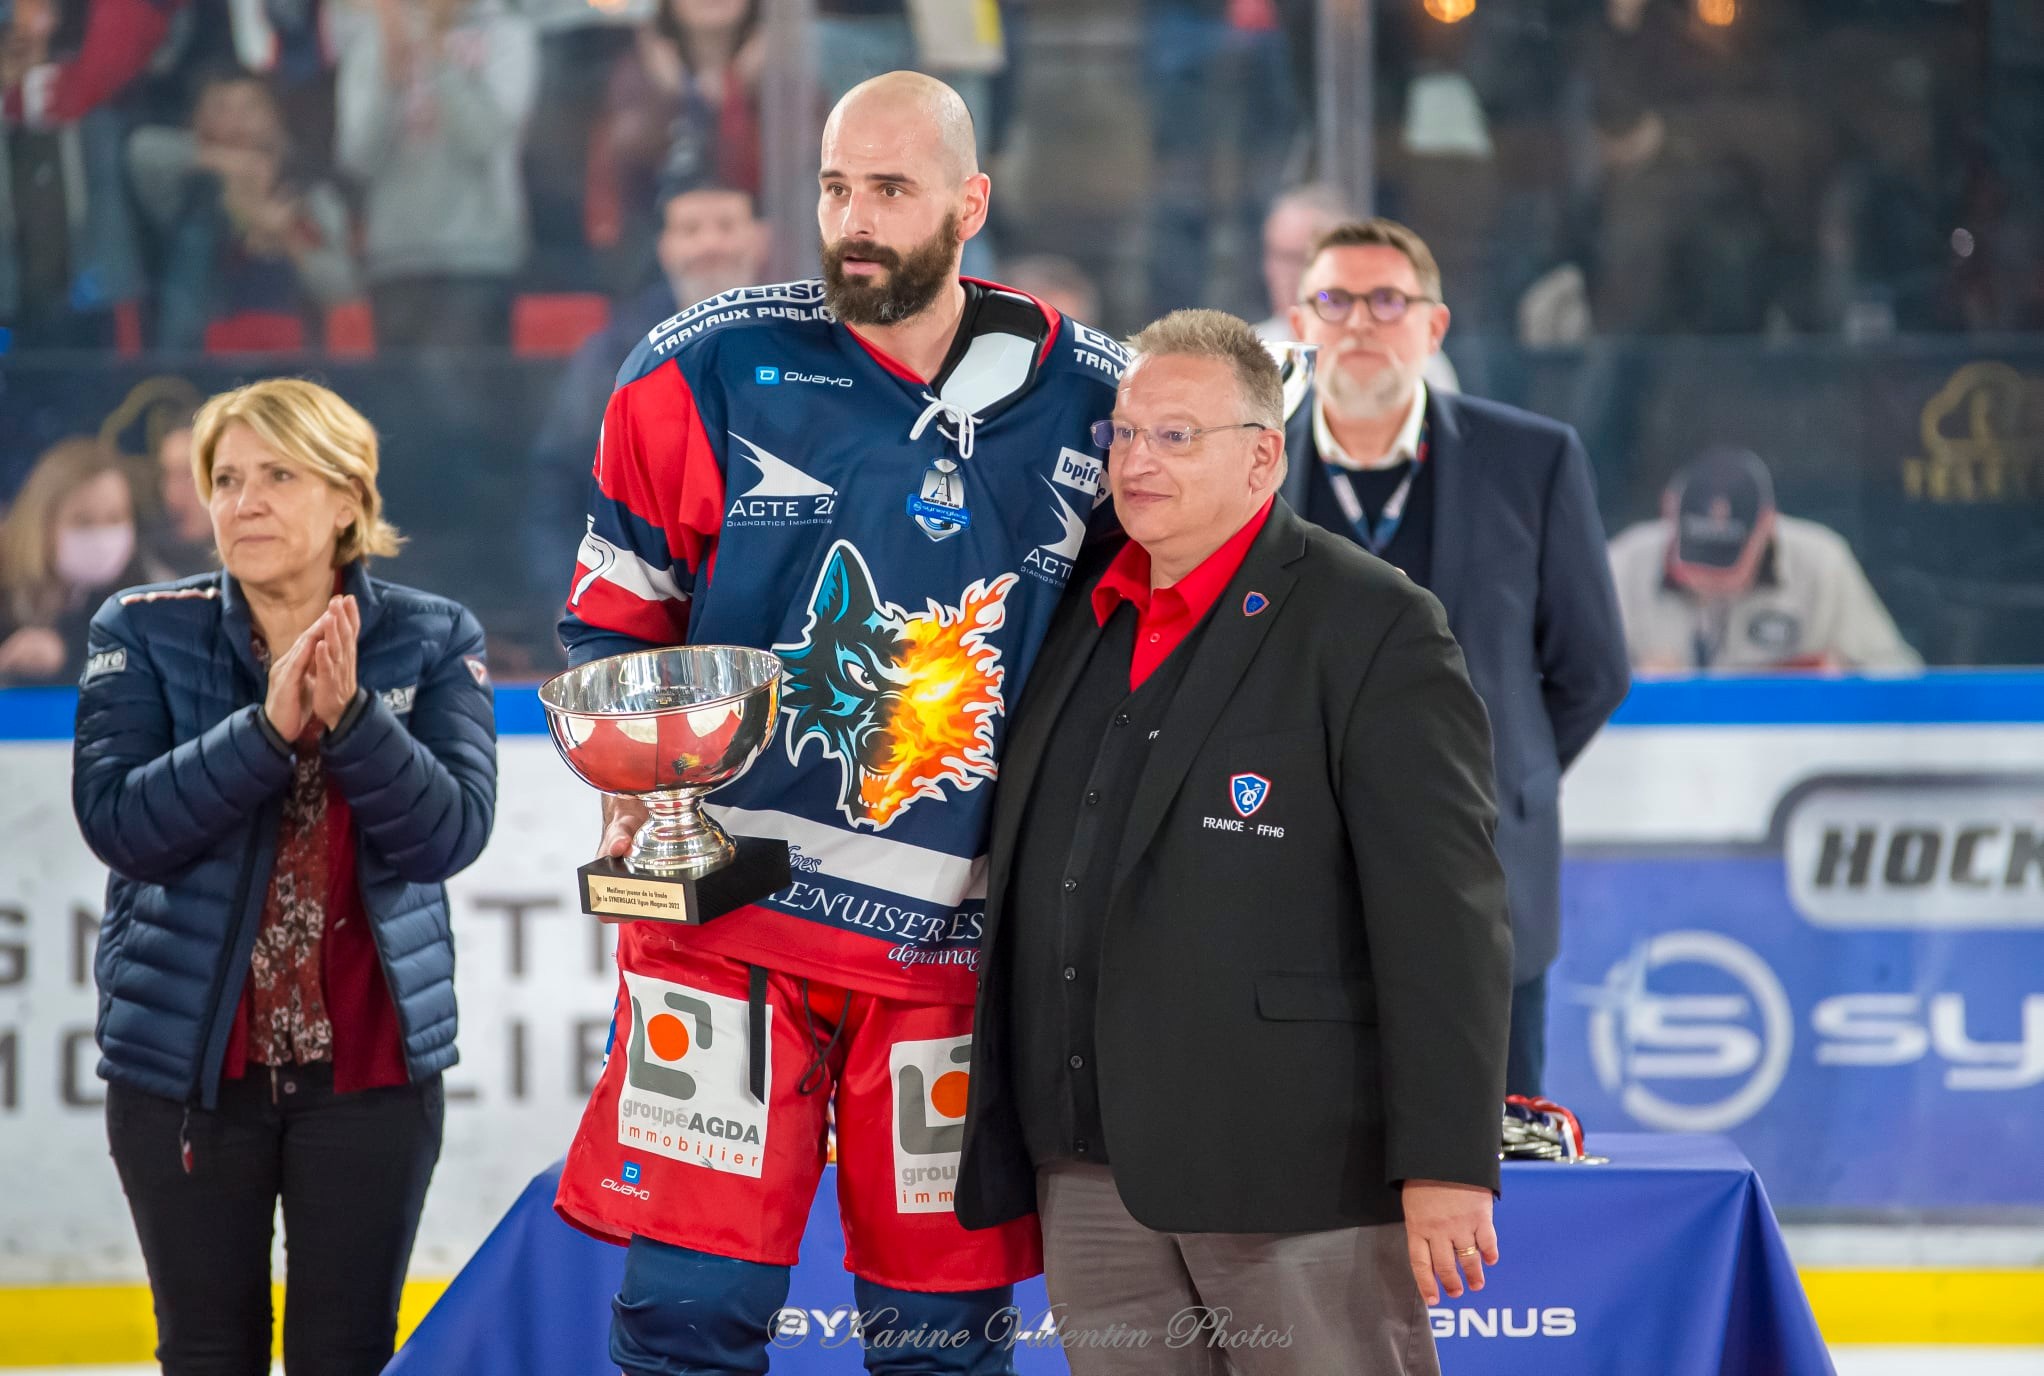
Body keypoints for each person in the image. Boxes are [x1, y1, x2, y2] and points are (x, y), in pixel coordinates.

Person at [550, 71, 1122, 1375]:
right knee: (688, 1319)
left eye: (892, 191)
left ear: (970, 204)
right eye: (834, 187)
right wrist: (638, 800)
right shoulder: (699, 368)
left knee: (939, 1343)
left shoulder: (1096, 398)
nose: (855, 221)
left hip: (951, 955)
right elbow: (615, 616)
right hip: (728, 934)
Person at [954, 309, 1513, 1374]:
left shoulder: (1373, 624)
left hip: (1294, 1169)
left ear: (1263, 455)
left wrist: (1448, 1159)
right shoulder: (1072, 609)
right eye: (1123, 434)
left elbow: (1447, 916)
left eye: (1176, 435)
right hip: (1088, 1168)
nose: (1137, 460)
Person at [71, 377, 498, 1376]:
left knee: (343, 1354)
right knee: (207, 1352)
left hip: (373, 1080)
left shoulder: (435, 637)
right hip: (184, 1077)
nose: (244, 500)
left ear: (349, 498)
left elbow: (449, 834)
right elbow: (122, 824)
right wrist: (266, 730)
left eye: (278, 474)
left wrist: (353, 720)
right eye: (225, 479)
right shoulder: (138, 628)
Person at [1280, 217, 1629, 1096]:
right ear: (1300, 325)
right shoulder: (1248, 462)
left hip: (1486, 878)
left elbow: (1592, 670)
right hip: (1290, 879)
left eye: (1387, 300)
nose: (1359, 322)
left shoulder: (1534, 460)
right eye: (1334, 300)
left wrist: (1509, 770)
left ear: (1433, 327)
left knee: (1499, 1173)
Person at [523, 171, 767, 655]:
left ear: (761, 238)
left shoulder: (809, 346)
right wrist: (569, 601)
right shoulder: (616, 357)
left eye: (725, 224)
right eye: (692, 229)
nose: (710, 244)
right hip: (647, 635)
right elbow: (555, 489)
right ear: (665, 247)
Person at [1607, 446, 1922, 672]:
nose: (1709, 577)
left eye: (1725, 558)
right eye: (1697, 552)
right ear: (1668, 513)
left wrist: (1842, 680)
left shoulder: (1821, 562)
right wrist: (1632, 686)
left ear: (1768, 527)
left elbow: (1902, 680)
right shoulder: (1621, 565)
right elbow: (1571, 689)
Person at [334, 0, 538, 348]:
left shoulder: (508, 34)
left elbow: (484, 140)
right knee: (400, 399)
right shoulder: (376, 38)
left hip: (479, 257)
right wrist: (390, 77)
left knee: (473, 398)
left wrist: (437, 58)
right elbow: (357, 157)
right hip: (395, 258)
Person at [127, 70, 359, 351]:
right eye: (221, 108)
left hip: (293, 368)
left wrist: (287, 235)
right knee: (194, 236)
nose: (237, 121)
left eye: (250, 107)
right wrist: (232, 164)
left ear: (276, 116)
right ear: (199, 119)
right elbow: (141, 150)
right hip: (203, 367)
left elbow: (344, 289)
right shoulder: (190, 190)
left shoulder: (308, 189)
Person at [588, 0, 766, 296]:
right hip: (650, 273)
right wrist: (667, 98)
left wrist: (740, 93)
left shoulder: (784, 75)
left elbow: (803, 175)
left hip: (761, 269)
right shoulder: (637, 71)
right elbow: (621, 174)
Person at [0, 436, 145, 684]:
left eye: (115, 518)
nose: (101, 537)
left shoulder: (136, 592)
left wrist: (67, 655)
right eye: (83, 521)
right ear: (42, 522)